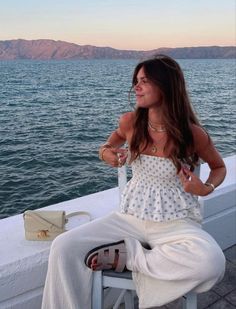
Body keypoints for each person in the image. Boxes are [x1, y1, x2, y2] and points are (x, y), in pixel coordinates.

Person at [42, 55, 226, 309]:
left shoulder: (192, 133)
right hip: (129, 217)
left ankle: (131, 257)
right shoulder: (130, 122)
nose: (136, 87)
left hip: (175, 223)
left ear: (167, 85)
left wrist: (205, 188)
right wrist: (106, 151)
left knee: (211, 262)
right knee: (63, 246)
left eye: (145, 81)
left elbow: (219, 167)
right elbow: (109, 144)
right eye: (136, 81)